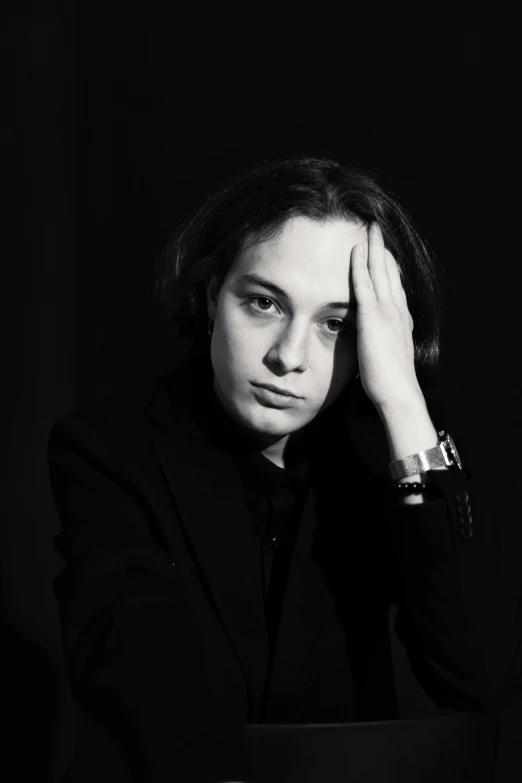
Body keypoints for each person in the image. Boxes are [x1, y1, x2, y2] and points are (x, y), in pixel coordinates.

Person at [47, 157, 521, 783]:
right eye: (265, 303)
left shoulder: (384, 456)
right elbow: (146, 670)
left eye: (337, 324)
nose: (289, 357)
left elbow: (479, 674)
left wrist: (405, 404)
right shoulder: (107, 451)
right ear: (214, 293)